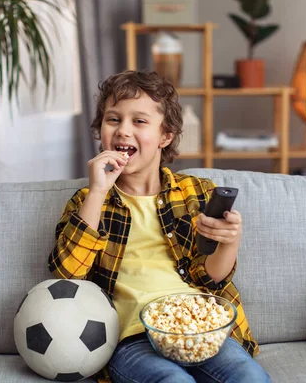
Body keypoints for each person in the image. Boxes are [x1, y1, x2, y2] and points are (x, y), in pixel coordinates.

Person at [48, 70, 270, 382]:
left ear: (165, 136)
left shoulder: (196, 192)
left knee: (250, 379)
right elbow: (67, 275)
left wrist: (230, 242)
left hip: (201, 325)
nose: (123, 131)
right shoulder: (88, 201)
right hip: (134, 338)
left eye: (139, 121)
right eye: (113, 119)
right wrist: (98, 190)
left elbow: (210, 275)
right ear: (100, 130)